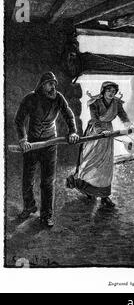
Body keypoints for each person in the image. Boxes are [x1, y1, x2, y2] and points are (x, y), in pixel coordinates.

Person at [15, 72, 79, 226]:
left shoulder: (58, 98)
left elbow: (69, 115)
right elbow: (19, 119)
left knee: (48, 181)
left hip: (50, 144)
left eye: (54, 84)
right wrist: (23, 139)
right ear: (42, 85)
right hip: (32, 144)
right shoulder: (31, 98)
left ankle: (46, 215)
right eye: (50, 83)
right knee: (28, 179)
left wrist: (73, 132)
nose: (53, 87)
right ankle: (29, 206)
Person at [66, 81, 132, 207]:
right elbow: (95, 120)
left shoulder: (117, 103)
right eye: (109, 91)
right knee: (90, 163)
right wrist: (101, 132)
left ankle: (104, 196)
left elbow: (123, 115)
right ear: (103, 91)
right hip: (95, 134)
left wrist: (128, 124)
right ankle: (87, 189)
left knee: (105, 166)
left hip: (108, 136)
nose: (111, 93)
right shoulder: (94, 103)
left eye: (113, 91)